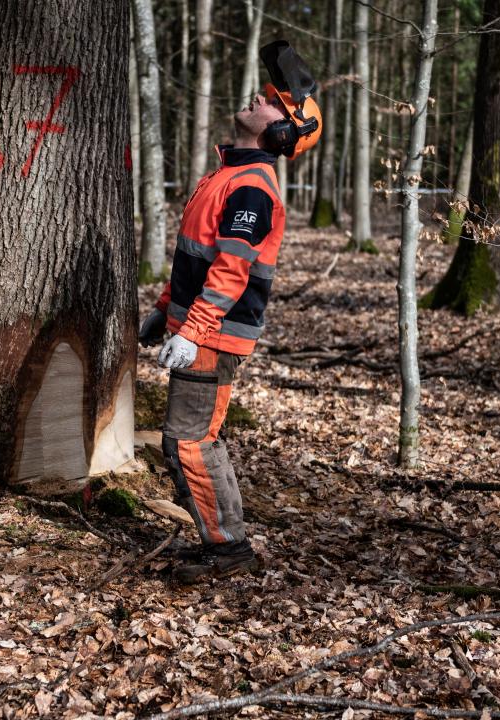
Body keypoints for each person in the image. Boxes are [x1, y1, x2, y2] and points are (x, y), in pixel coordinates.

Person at [138, 40, 322, 585]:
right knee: (190, 438)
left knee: (191, 441)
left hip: (214, 336)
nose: (258, 99)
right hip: (200, 328)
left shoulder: (252, 188)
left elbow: (231, 271)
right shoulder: (225, 176)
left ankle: (229, 548)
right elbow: (195, 260)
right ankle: (222, 539)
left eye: (271, 103)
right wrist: (166, 310)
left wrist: (192, 331)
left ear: (282, 133)